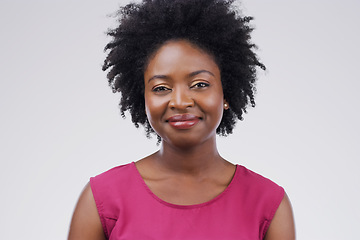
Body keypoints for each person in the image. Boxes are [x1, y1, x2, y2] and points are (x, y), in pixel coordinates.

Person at [68, 0, 295, 239]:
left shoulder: (268, 203)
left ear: (226, 94)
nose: (180, 101)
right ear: (142, 97)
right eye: (161, 88)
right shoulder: (102, 199)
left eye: (200, 84)